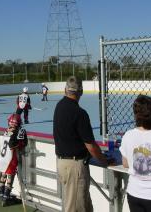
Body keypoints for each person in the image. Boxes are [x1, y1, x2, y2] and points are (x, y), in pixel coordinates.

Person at [53, 76, 108, 212]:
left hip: (63, 164)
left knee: (83, 205)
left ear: (65, 90)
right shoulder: (80, 113)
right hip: (75, 167)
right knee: (76, 208)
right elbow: (90, 145)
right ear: (81, 92)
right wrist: (103, 160)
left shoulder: (59, 106)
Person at [0, 113, 28, 206]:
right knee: (10, 177)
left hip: (3, 157)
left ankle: (1, 195)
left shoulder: (6, 130)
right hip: (12, 157)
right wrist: (20, 144)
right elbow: (17, 144)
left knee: (3, 175)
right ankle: (6, 198)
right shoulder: (19, 131)